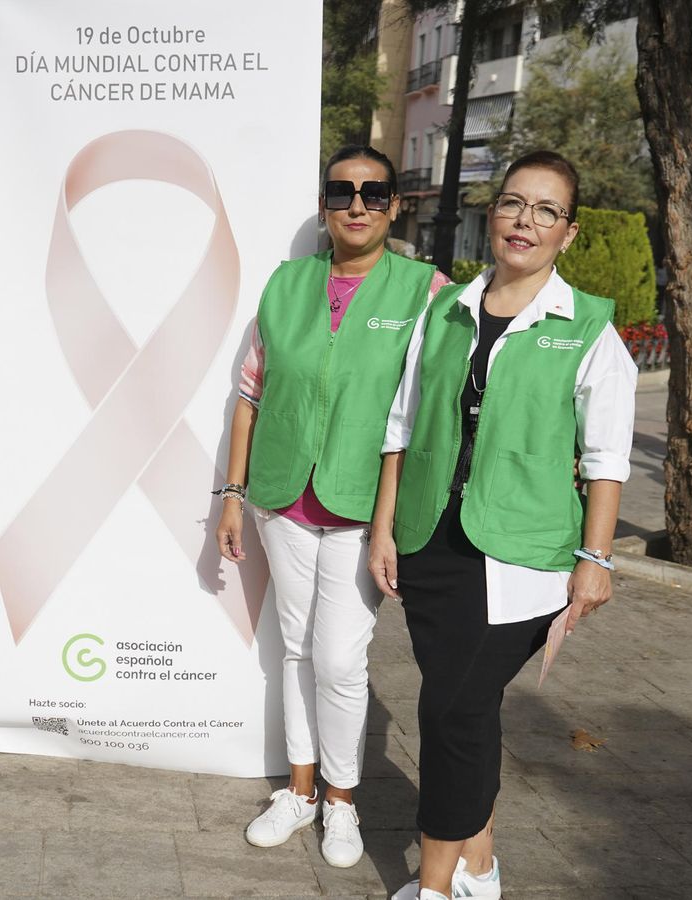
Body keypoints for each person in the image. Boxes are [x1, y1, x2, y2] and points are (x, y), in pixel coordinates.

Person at [367, 150, 637, 900]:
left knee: (449, 710)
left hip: (523, 554)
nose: (527, 220)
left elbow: (607, 458)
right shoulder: (445, 310)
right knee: (466, 706)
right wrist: (384, 528)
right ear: (496, 215)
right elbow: (402, 425)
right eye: (515, 203)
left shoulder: (587, 329)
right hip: (431, 540)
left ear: (568, 233)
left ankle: (435, 883)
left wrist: (598, 558)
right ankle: (481, 861)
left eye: (546, 210)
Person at [217, 145, 446, 868]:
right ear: (325, 203)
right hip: (282, 496)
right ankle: (300, 788)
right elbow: (251, 395)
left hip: (362, 508)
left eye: (373, 193)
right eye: (343, 191)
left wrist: (393, 523)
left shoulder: (427, 291)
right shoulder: (287, 284)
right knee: (295, 645)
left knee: (342, 660)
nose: (356, 204)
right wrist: (231, 494)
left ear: (394, 205)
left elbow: (423, 415)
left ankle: (344, 801)